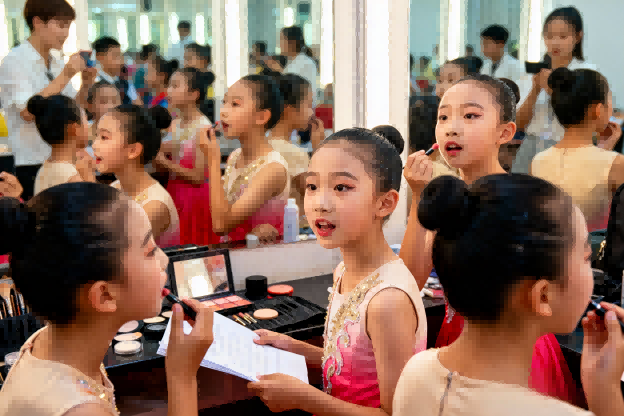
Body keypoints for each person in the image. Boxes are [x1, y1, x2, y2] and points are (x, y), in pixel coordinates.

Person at [400, 74, 585, 407]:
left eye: (470, 115)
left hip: (516, 352)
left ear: (505, 132)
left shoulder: (523, 200)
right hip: (457, 340)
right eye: (444, 117)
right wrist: (417, 196)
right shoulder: (449, 199)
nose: (451, 128)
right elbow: (410, 281)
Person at [393, 174, 624, 416]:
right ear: (544, 296)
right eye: (586, 258)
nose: (591, 269)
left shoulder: (415, 374)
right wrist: (606, 394)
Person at [244, 128, 426, 414]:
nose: (320, 203)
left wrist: (304, 398)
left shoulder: (387, 301)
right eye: (312, 186)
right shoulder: (343, 270)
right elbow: (352, 366)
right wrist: (293, 346)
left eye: (341, 187)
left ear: (384, 203)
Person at [0, 182, 214, 416]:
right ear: (104, 295)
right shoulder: (81, 411)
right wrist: (182, 376)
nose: (164, 260)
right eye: (150, 251)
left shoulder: (52, 341)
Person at [0, 0, 97, 201]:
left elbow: (71, 110)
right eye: (60, 25)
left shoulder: (56, 63)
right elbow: (28, 112)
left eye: (68, 26)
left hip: (63, 160)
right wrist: (67, 74)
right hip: (31, 162)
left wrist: (86, 84)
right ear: (37, 22)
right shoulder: (14, 62)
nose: (65, 33)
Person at [198, 75, 290, 243]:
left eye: (235, 104)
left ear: (261, 117)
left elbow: (221, 225)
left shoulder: (273, 169)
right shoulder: (235, 156)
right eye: (224, 102)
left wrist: (213, 160)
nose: (223, 111)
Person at [531, 68, 624, 231]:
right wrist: (606, 153)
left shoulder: (538, 161)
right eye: (610, 102)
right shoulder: (616, 164)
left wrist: (604, 150)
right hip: (592, 247)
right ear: (598, 110)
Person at [512, 6, 596, 174]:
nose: (555, 42)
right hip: (531, 147)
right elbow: (519, 124)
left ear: (578, 36)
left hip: (569, 149)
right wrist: (535, 90)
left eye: (563, 36)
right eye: (549, 36)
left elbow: (583, 118)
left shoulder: (587, 72)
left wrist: (551, 90)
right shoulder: (534, 71)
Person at [92, 104, 180, 247]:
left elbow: (111, 248)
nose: (94, 145)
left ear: (133, 150)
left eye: (104, 137)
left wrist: (87, 184)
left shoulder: (155, 206)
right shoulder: (115, 187)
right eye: (96, 136)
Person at [152, 68, 219, 246]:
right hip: (175, 192)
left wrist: (164, 162)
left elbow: (198, 177)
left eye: (175, 86)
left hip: (194, 199)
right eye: (169, 85)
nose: (169, 91)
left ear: (193, 94)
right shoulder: (174, 123)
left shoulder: (203, 127)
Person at [269, 74, 320, 231]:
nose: (312, 113)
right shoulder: (293, 153)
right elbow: (317, 195)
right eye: (309, 105)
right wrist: (319, 149)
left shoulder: (264, 145)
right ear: (289, 109)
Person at [28, 95, 95, 195]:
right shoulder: (71, 177)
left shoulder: (43, 170)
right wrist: (89, 177)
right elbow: (95, 204)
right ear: (75, 129)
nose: (88, 125)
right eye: (85, 120)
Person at [264, 26, 318, 106]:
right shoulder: (293, 62)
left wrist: (279, 70)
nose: (279, 45)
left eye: (281, 40)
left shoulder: (305, 62)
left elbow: (293, 87)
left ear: (292, 42)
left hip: (302, 109)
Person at [93, 37, 141, 106]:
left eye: (121, 56)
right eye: (115, 56)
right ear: (99, 57)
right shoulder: (95, 82)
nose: (121, 61)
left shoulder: (124, 80)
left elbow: (137, 103)